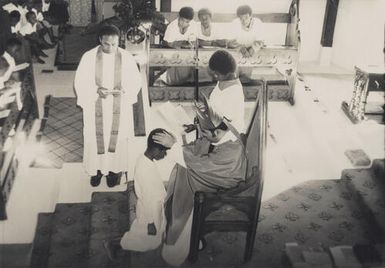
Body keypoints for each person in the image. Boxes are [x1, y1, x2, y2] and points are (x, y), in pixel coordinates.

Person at [154, 96, 247, 266]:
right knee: (182, 170)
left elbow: (200, 165)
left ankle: (179, 246)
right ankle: (188, 235)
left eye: (204, 132)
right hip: (210, 171)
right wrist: (182, 138)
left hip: (221, 180)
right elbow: (201, 145)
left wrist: (174, 145)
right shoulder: (223, 131)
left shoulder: (230, 151)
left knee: (184, 183)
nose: (202, 135)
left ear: (216, 132)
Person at [74, 25, 142, 188]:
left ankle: (114, 171)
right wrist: (96, 91)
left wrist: (124, 90)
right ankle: (96, 170)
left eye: (114, 44)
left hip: (120, 105)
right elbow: (80, 82)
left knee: (117, 139)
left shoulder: (127, 57)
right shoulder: (88, 57)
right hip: (95, 104)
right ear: (100, 40)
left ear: (119, 41)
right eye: (106, 44)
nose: (110, 47)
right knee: (95, 137)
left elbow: (136, 81)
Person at [103, 128, 170, 260]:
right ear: (156, 150)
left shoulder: (144, 159)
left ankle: (120, 241)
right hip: (149, 210)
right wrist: (151, 222)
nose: (165, 154)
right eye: (164, 151)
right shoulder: (145, 169)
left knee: (144, 234)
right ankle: (115, 244)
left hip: (153, 206)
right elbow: (147, 198)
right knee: (147, 240)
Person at [184, 50, 245, 135]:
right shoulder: (224, 80)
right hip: (215, 133)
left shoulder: (234, 93)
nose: (215, 76)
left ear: (228, 73)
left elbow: (221, 126)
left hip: (227, 140)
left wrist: (199, 126)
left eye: (217, 74)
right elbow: (215, 111)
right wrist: (196, 125)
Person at [157, 7, 196, 86]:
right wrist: (182, 43)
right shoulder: (172, 26)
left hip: (188, 54)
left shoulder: (194, 25)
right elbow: (169, 44)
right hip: (172, 53)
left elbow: (194, 42)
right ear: (179, 16)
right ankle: (167, 80)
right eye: (182, 20)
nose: (183, 23)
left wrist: (188, 44)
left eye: (187, 22)